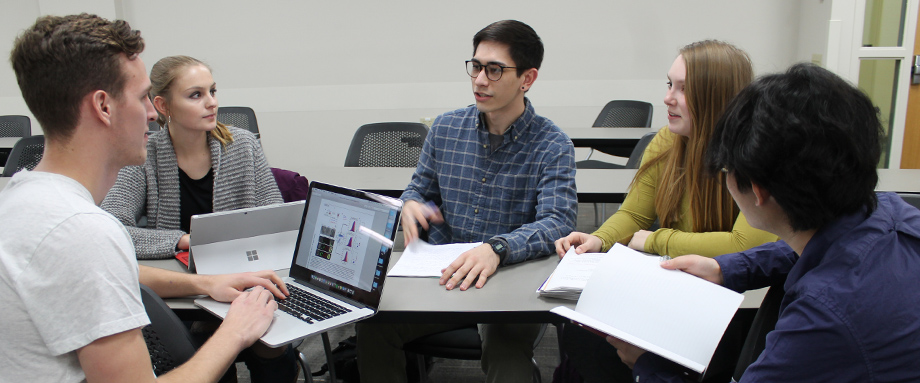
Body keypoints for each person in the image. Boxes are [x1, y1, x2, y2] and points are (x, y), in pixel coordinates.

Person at [0, 13, 291, 382]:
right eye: (142, 98)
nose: (152, 115)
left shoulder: (21, 198)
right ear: (103, 107)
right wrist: (236, 331)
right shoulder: (84, 233)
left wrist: (204, 283)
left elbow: (110, 270)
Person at [610, 63, 920, 382]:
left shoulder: (824, 316)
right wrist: (725, 269)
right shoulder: (889, 210)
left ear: (757, 191)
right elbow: (806, 249)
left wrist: (649, 365)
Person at [356, 20, 577, 383]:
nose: (479, 80)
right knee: (374, 327)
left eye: (494, 70)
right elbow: (418, 189)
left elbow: (557, 221)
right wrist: (410, 204)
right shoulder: (445, 129)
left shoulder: (552, 144)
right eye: (476, 67)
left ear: (527, 78)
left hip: (511, 279)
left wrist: (497, 249)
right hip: (445, 274)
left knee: (507, 358)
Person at [552, 40, 778, 383]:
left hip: (733, 301)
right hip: (676, 287)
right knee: (584, 332)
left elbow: (743, 244)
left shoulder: (756, 154)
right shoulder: (667, 142)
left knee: (602, 348)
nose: (668, 98)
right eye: (669, 84)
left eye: (684, 89)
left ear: (716, 97)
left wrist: (657, 240)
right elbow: (635, 216)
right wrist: (598, 239)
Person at [101, 55, 282, 260]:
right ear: (162, 105)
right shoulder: (143, 155)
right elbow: (110, 229)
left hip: (242, 265)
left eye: (212, 91)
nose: (212, 103)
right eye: (196, 95)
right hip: (175, 276)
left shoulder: (244, 144)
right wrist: (184, 240)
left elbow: (276, 218)